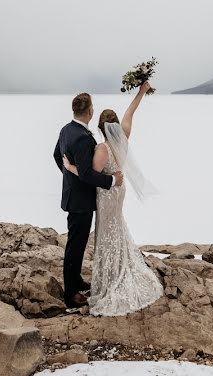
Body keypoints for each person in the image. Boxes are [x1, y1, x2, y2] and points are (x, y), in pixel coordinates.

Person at [62, 81, 163, 316]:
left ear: (99, 125)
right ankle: (120, 266)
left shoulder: (102, 149)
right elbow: (131, 111)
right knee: (117, 227)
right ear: (116, 125)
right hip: (119, 192)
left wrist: (70, 167)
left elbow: (90, 176)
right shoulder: (124, 137)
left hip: (108, 194)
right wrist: (141, 92)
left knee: (106, 232)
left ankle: (109, 277)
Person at [53, 92, 124, 309]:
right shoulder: (84, 138)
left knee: (78, 243)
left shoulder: (66, 129)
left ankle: (76, 282)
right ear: (91, 112)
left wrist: (68, 176)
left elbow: (57, 155)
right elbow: (86, 174)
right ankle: (71, 293)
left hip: (73, 196)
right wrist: (112, 180)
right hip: (81, 201)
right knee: (75, 246)